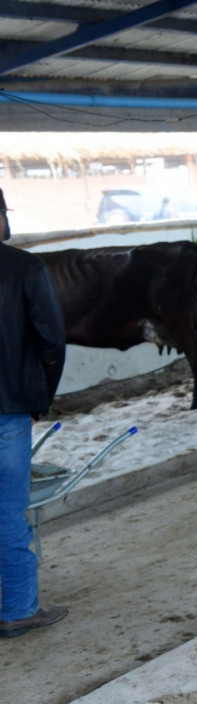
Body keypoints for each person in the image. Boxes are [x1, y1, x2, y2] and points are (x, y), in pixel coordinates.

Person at [0, 188, 69, 639]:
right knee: (7, 510)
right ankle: (19, 609)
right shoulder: (25, 268)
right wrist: (39, 399)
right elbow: (52, 341)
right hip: (8, 410)